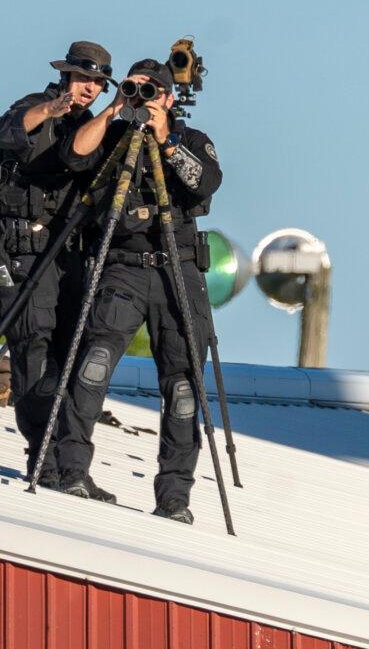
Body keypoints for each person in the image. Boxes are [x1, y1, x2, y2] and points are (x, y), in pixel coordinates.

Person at [55, 58, 222, 523]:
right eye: (136, 88)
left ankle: (174, 497)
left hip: (177, 270)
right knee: (93, 364)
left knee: (184, 385)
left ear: (169, 98)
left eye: (153, 91)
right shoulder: (113, 133)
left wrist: (164, 138)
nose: (143, 98)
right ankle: (71, 469)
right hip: (122, 266)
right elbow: (73, 158)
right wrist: (114, 109)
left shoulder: (190, 140)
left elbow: (205, 183)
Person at [0, 41, 112, 489]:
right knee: (32, 350)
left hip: (65, 254)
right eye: (83, 78)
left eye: (98, 83)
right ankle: (42, 456)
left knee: (70, 352)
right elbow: (4, 131)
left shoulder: (89, 127)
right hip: (22, 251)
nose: (90, 88)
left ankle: (70, 464)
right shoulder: (36, 106)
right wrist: (51, 109)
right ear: (67, 76)